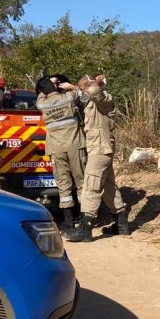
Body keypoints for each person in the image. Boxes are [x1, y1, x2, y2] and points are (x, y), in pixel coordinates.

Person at [59, 74, 129, 242]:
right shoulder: (92, 99)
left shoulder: (103, 98)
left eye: (82, 87)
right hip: (99, 149)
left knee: (91, 186)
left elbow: (93, 90)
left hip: (100, 149)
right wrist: (76, 87)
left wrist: (96, 81)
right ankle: (121, 224)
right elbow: (87, 93)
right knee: (109, 187)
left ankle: (85, 229)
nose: (81, 90)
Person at [36, 74, 86, 234]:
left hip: (56, 149)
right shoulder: (69, 97)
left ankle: (68, 222)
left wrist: (46, 89)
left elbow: (39, 98)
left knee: (63, 186)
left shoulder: (42, 104)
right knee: (82, 183)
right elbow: (83, 92)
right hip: (74, 145)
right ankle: (86, 220)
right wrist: (70, 86)